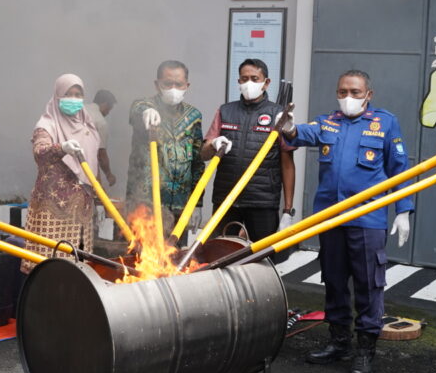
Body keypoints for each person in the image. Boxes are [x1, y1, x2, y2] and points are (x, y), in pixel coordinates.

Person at [280, 70, 413, 373]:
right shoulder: (327, 122)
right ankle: (339, 343)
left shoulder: (385, 123)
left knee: (368, 285)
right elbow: (299, 134)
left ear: (369, 94)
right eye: (342, 91)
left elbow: (399, 169)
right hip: (330, 217)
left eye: (355, 91)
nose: (348, 97)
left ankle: (365, 350)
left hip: (367, 220)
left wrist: (403, 210)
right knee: (335, 281)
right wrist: (286, 126)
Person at [201, 58, 295, 241]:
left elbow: (287, 165)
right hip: (225, 199)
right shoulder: (225, 111)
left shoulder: (279, 115)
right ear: (238, 82)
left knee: (261, 260)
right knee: (218, 254)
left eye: (254, 78)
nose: (248, 83)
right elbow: (203, 154)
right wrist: (212, 145)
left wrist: (287, 211)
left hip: (262, 202)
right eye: (244, 79)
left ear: (266, 83)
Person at [21, 74, 100, 273]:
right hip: (54, 208)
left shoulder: (87, 124)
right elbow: (40, 152)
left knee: (79, 262)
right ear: (57, 96)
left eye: (78, 94)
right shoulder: (47, 124)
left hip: (82, 207)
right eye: (68, 94)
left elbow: (93, 161)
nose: (73, 99)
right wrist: (61, 148)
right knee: (50, 261)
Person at [126, 60, 204, 226]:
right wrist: (147, 110)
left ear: (187, 85)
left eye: (179, 84)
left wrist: (197, 203)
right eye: (168, 84)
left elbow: (197, 162)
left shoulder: (193, 116)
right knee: (143, 251)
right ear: (157, 84)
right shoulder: (145, 107)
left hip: (180, 206)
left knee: (174, 251)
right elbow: (137, 109)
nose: (173, 89)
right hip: (145, 205)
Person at [88, 89, 117, 187]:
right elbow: (101, 154)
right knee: (97, 197)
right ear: (104, 104)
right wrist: (109, 175)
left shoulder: (80, 109)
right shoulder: (100, 122)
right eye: (109, 109)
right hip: (85, 165)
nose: (108, 113)